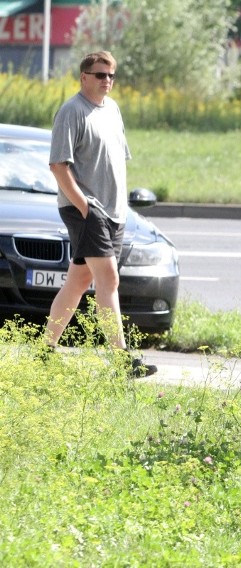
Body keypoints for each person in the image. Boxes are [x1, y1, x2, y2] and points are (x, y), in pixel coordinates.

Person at [45, 50, 156, 378]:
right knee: (109, 278)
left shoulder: (113, 111)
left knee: (79, 280)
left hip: (114, 212)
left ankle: (45, 350)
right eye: (100, 75)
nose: (107, 81)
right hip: (85, 208)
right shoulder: (71, 111)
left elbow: (115, 161)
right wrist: (85, 206)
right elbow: (58, 165)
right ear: (84, 77)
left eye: (111, 76)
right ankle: (123, 361)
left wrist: (121, 208)